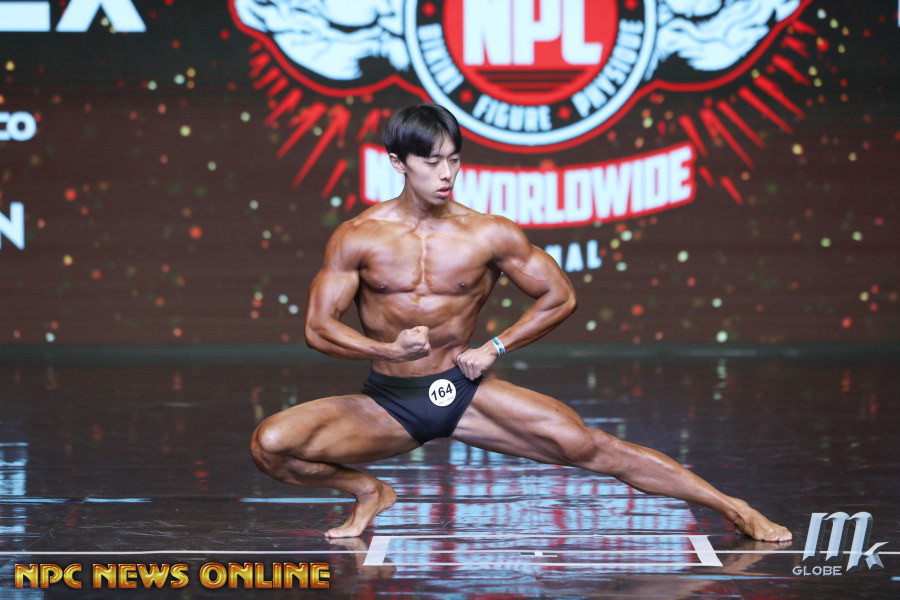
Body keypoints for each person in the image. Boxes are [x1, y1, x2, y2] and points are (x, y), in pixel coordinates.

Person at [250, 103, 792, 542]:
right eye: (432, 162)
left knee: (593, 448)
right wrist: (389, 351)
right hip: (389, 401)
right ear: (398, 163)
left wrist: (495, 347)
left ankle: (734, 507)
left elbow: (560, 296)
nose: (446, 174)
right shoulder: (357, 236)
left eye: (454, 160)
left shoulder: (489, 233)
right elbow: (318, 328)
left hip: (463, 389)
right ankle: (368, 490)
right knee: (269, 444)